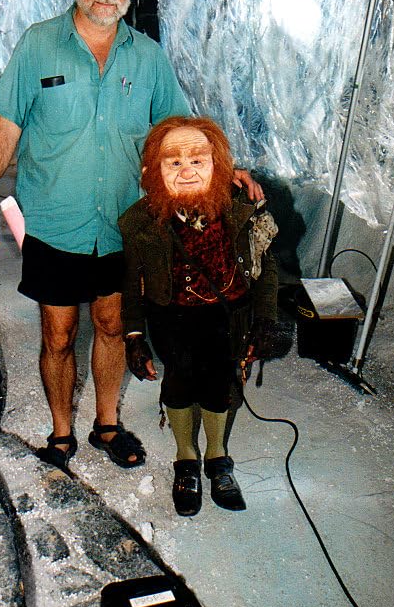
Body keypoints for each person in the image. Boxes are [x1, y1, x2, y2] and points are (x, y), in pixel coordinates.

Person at [0, 0, 264, 473]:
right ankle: (61, 433)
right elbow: (7, 125)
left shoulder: (147, 55)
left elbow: (177, 129)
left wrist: (226, 167)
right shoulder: (38, 44)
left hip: (124, 221)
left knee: (111, 325)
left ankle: (106, 424)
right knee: (58, 333)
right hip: (55, 220)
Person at [118, 116, 278, 516]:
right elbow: (131, 283)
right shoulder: (139, 221)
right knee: (178, 382)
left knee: (219, 384)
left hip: (229, 316)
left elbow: (266, 268)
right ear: (153, 171)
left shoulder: (242, 210)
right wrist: (133, 337)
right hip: (170, 317)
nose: (187, 171)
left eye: (197, 161)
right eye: (173, 162)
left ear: (217, 166)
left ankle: (217, 458)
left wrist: (265, 320)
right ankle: (185, 460)